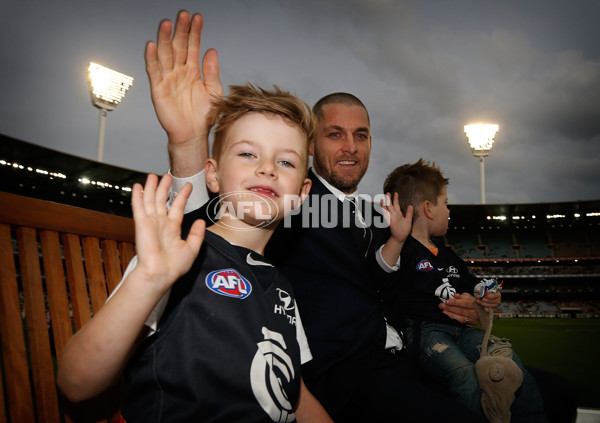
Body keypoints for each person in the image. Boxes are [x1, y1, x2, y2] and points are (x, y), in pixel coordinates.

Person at [153, 10, 576, 423]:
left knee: (558, 393)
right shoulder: (294, 200)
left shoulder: (381, 215)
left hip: (409, 355)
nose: (350, 146)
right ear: (311, 147)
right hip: (346, 374)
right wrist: (188, 143)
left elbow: (402, 285)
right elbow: (213, 225)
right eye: (334, 134)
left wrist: (459, 305)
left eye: (361, 135)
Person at [57, 78, 335, 421]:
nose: (267, 168)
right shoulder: (174, 257)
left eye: (287, 162)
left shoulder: (281, 288)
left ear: (303, 193)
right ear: (213, 176)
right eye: (248, 153)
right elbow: (76, 382)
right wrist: (149, 278)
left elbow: (294, 394)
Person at [380, 158, 548, 421]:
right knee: (465, 375)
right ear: (428, 208)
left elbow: (470, 281)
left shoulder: (448, 255)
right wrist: (396, 238)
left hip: (463, 331)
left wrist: (486, 291)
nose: (449, 210)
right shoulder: (403, 249)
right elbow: (383, 270)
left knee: (511, 364)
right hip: (426, 334)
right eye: (445, 203)